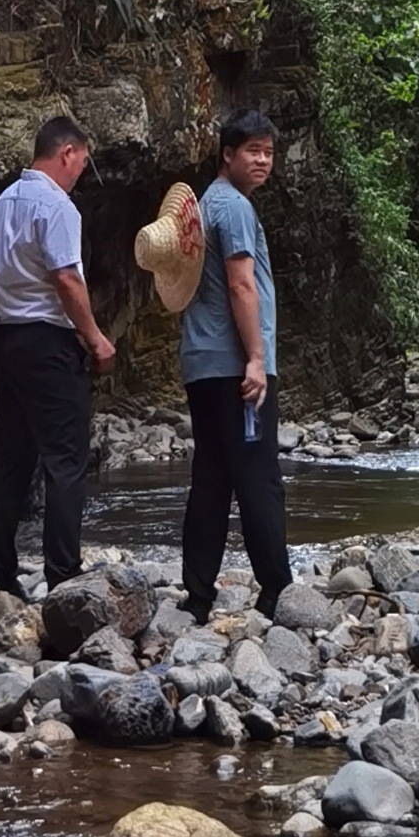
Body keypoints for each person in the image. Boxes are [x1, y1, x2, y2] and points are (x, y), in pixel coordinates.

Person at [0, 113, 115, 597]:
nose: (81, 173)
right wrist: (94, 337)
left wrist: (11, 282)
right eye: (82, 162)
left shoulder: (5, 200)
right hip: (48, 340)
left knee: (13, 456)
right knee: (66, 460)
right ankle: (63, 574)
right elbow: (67, 278)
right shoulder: (58, 206)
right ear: (67, 153)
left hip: (8, 338)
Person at [180, 107, 291, 618]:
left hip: (202, 362)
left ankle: (199, 594)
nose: (264, 161)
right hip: (234, 365)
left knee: (212, 477)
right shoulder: (235, 209)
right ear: (228, 154)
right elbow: (241, 284)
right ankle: (277, 590)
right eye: (253, 151)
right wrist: (256, 357)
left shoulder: (203, 206)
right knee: (257, 475)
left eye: (269, 152)